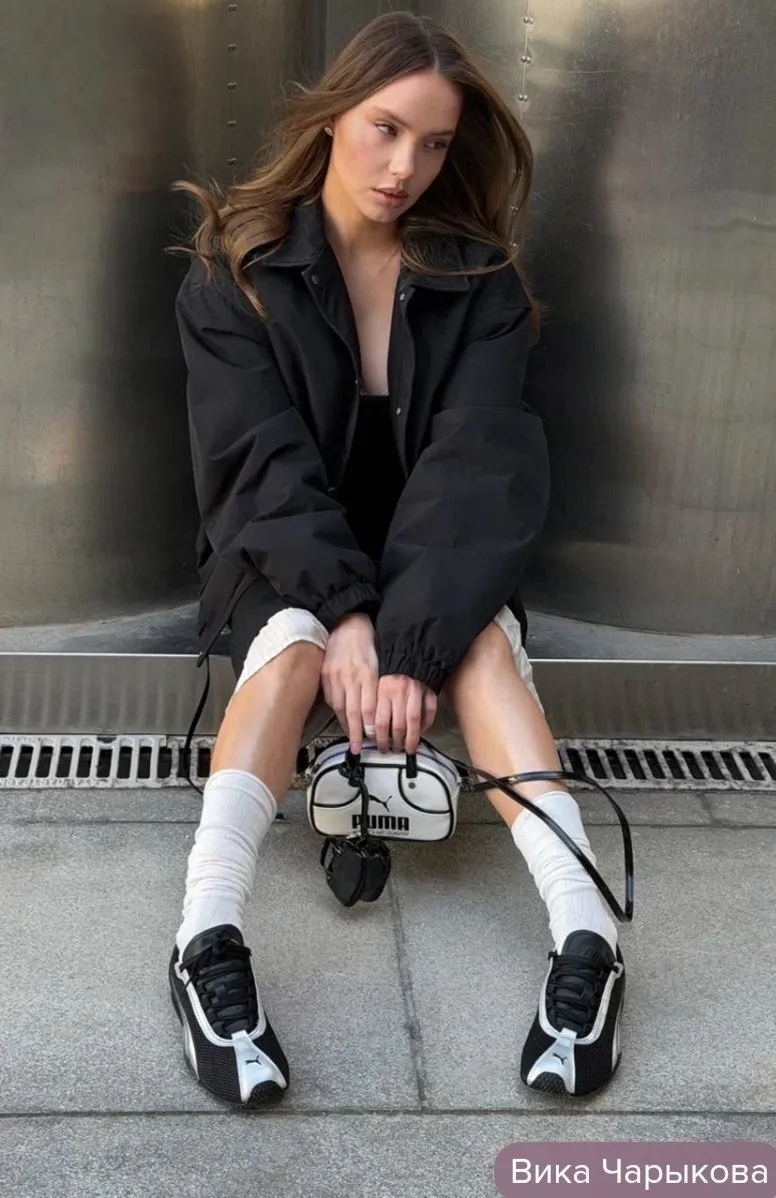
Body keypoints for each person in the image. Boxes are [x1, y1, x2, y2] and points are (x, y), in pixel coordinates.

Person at [168, 10, 625, 1107]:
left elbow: (479, 469)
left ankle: (589, 939)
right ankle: (203, 939)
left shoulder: (477, 280)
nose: (403, 167)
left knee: (480, 652)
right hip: (282, 552)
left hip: (439, 557)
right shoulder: (237, 269)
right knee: (290, 646)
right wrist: (346, 612)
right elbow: (256, 462)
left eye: (432, 144)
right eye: (384, 129)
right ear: (333, 117)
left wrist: (411, 642)